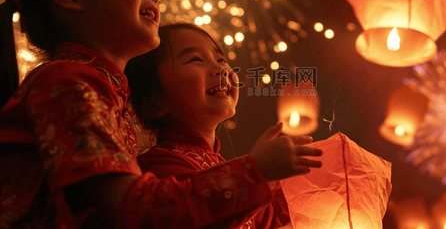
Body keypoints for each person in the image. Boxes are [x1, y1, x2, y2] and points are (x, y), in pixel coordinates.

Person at [0, 0, 321, 228]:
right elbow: (134, 212)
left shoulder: (98, 88)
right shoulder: (69, 83)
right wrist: (255, 173)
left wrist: (271, 179)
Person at [126, 21, 323, 229]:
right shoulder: (158, 166)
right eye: (196, 59)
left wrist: (306, 182)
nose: (221, 68)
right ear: (156, 103)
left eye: (221, 59)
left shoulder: (219, 164)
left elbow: (267, 219)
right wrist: (256, 171)